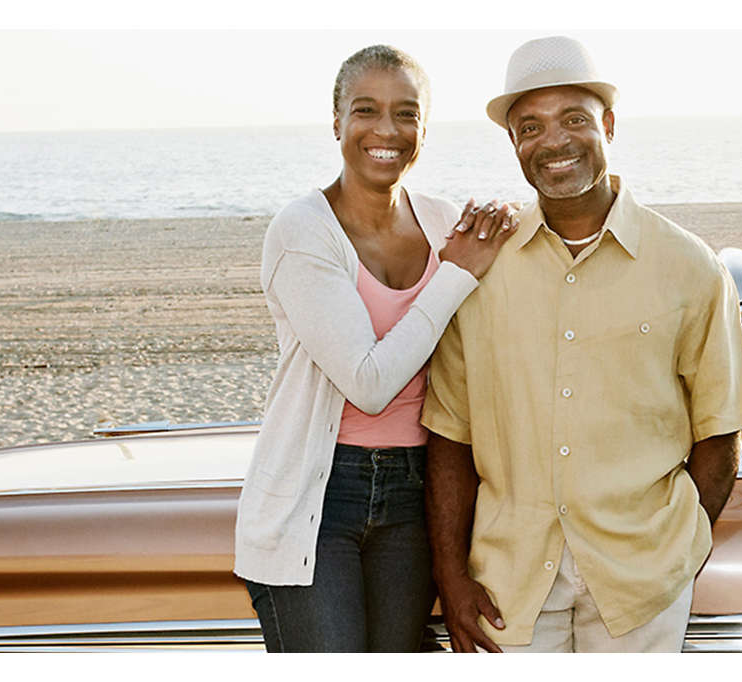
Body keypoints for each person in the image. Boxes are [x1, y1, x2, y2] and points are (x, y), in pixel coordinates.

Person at [422, 36, 742, 653]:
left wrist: (677, 555)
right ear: (514, 143)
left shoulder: (689, 267)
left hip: (642, 585)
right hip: (508, 586)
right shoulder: (482, 270)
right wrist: (450, 576)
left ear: (608, 124)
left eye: (573, 119)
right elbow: (450, 435)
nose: (553, 141)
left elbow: (720, 432)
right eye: (531, 126)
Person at [233, 45, 517, 653]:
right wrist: (456, 274)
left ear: (423, 128)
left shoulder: (444, 224)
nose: (386, 130)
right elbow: (367, 380)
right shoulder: (303, 230)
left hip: (417, 495)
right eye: (366, 110)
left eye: (406, 114)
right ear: (336, 121)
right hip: (318, 495)